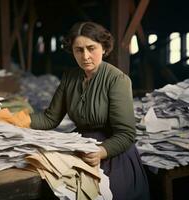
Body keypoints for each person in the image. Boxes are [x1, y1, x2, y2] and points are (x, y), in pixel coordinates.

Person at [24, 21, 150, 200]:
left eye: (91, 48)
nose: (86, 56)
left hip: (112, 152)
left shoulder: (117, 80)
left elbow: (126, 134)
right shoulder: (70, 77)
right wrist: (14, 120)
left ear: (104, 48)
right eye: (79, 50)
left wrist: (100, 152)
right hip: (81, 146)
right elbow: (50, 118)